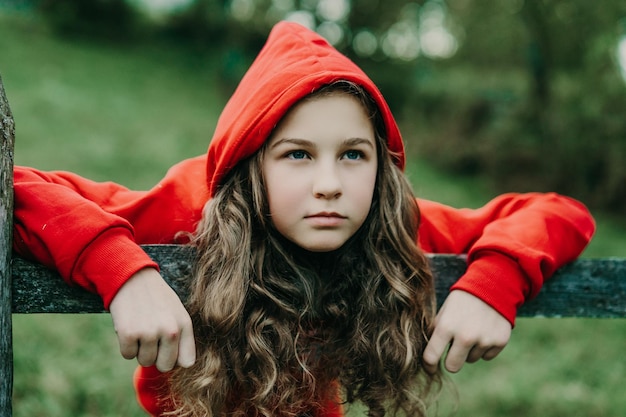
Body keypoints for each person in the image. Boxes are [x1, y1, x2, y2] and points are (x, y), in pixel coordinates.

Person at [12, 21, 595, 417]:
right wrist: (125, 273)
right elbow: (18, 187)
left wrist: (495, 283)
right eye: (297, 154)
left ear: (380, 166)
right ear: (250, 163)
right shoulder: (195, 206)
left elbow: (556, 212)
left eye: (352, 154)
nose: (329, 184)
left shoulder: (388, 220)